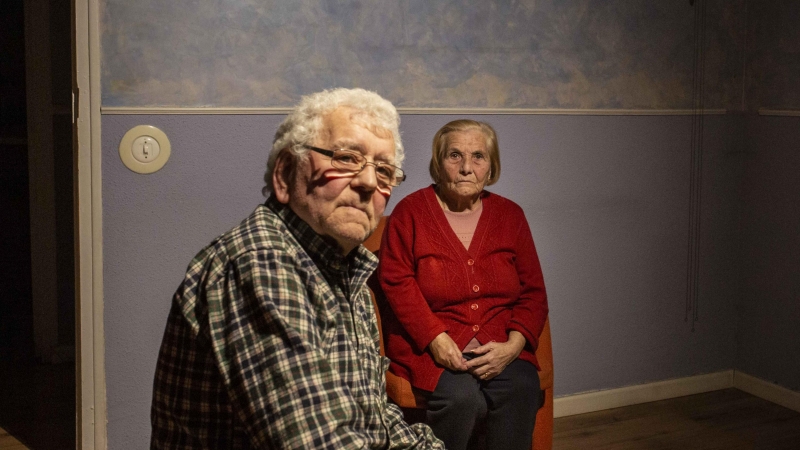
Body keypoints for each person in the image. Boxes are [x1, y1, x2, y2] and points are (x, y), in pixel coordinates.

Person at [150, 88, 445, 450]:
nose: (369, 182)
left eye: (383, 170)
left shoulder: (348, 272)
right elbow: (318, 442)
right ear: (286, 174)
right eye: (346, 158)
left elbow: (376, 421)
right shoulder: (262, 261)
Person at [378, 119, 549, 450]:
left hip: (498, 345)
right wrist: (436, 340)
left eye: (478, 157)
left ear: (491, 167)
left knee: (521, 388)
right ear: (438, 163)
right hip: (432, 346)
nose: (466, 167)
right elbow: (395, 281)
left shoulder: (510, 215)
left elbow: (533, 291)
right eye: (454, 155)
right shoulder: (409, 213)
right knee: (460, 399)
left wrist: (513, 346)